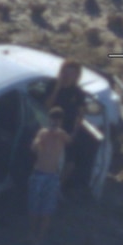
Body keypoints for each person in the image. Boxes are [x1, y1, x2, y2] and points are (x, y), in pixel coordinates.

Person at [26, 107, 72, 245]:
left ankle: (39, 241)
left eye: (57, 120)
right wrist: (40, 140)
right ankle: (31, 236)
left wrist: (59, 133)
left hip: (52, 177)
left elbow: (69, 140)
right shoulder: (42, 133)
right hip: (38, 173)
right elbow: (34, 147)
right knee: (34, 209)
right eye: (52, 120)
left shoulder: (61, 135)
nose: (54, 123)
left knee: (46, 212)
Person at [44, 59, 87, 188]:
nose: (67, 77)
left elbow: (81, 114)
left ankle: (57, 187)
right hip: (50, 129)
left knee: (70, 164)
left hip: (67, 132)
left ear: (76, 77)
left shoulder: (78, 93)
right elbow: (46, 106)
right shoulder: (52, 86)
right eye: (65, 73)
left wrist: (74, 132)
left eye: (71, 74)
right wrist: (57, 88)